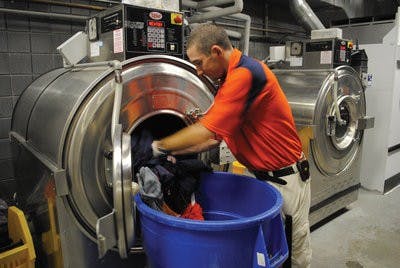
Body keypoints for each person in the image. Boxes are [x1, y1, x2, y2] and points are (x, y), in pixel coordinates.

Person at [151, 23, 312, 267]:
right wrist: (174, 151)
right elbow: (213, 137)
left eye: (199, 63)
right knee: (261, 251)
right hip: (259, 176)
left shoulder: (246, 74)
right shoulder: (227, 83)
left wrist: (159, 145)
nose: (198, 72)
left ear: (216, 51)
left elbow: (205, 130)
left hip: (285, 179)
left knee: (291, 251)